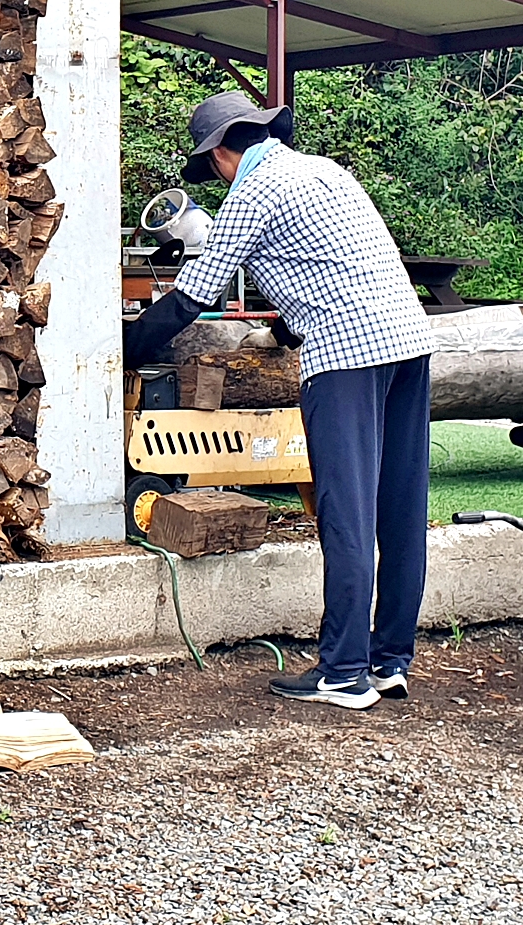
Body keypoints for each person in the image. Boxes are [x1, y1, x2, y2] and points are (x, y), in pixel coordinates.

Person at [165, 92, 434, 710]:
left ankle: (343, 672)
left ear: (223, 155)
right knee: (398, 509)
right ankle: (390, 660)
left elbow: (191, 298)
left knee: (346, 513)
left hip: (345, 359)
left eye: (212, 166)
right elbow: (331, 272)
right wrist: (279, 333)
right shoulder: (325, 172)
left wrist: (121, 347)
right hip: (409, 347)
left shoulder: (250, 192)